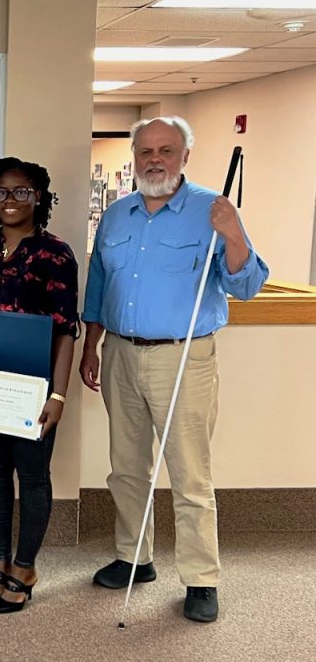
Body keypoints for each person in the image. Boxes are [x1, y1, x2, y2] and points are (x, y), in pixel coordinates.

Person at [80, 116, 268, 623]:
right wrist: (91, 344)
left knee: (189, 473)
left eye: (166, 149)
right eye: (145, 151)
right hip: (120, 352)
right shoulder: (117, 216)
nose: (154, 159)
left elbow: (247, 285)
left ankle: (201, 578)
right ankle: (134, 558)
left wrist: (232, 234)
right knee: (126, 466)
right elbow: (99, 287)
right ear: (134, 157)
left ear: (185, 155)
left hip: (183, 357)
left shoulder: (214, 209)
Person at [0, 158, 79, 614]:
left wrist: (59, 395)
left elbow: (67, 330)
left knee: (31, 476)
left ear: (40, 198)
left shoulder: (56, 254)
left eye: (21, 192)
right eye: (2, 192)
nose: (10, 201)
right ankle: (0, 562)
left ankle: (25, 567)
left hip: (34, 386)